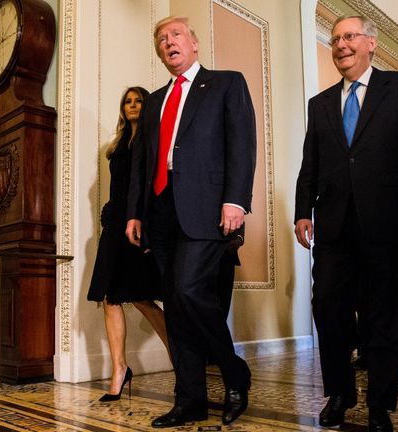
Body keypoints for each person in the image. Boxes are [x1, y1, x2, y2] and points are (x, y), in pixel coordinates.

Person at [293, 15, 398, 432]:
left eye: (349, 36)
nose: (340, 44)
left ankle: (379, 403)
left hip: (389, 221)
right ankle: (340, 393)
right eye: (335, 38)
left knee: (384, 315)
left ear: (370, 44)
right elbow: (310, 165)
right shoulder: (319, 104)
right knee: (328, 308)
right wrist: (304, 210)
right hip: (334, 225)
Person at [125, 16, 256, 428]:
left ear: (194, 44)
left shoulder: (226, 83)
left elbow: (242, 143)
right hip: (161, 213)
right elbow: (141, 163)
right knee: (177, 307)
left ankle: (235, 375)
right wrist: (134, 211)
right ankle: (190, 399)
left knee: (187, 292)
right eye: (161, 39)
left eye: (176, 35)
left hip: (207, 208)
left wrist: (236, 200)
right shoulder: (155, 101)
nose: (168, 42)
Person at [87, 86, 170, 402]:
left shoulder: (154, 139)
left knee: (143, 298)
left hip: (140, 226)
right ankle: (119, 369)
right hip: (115, 226)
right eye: (127, 101)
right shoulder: (117, 145)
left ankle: (182, 359)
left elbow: (156, 187)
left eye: (138, 100)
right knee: (110, 298)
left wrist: (150, 228)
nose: (132, 105)